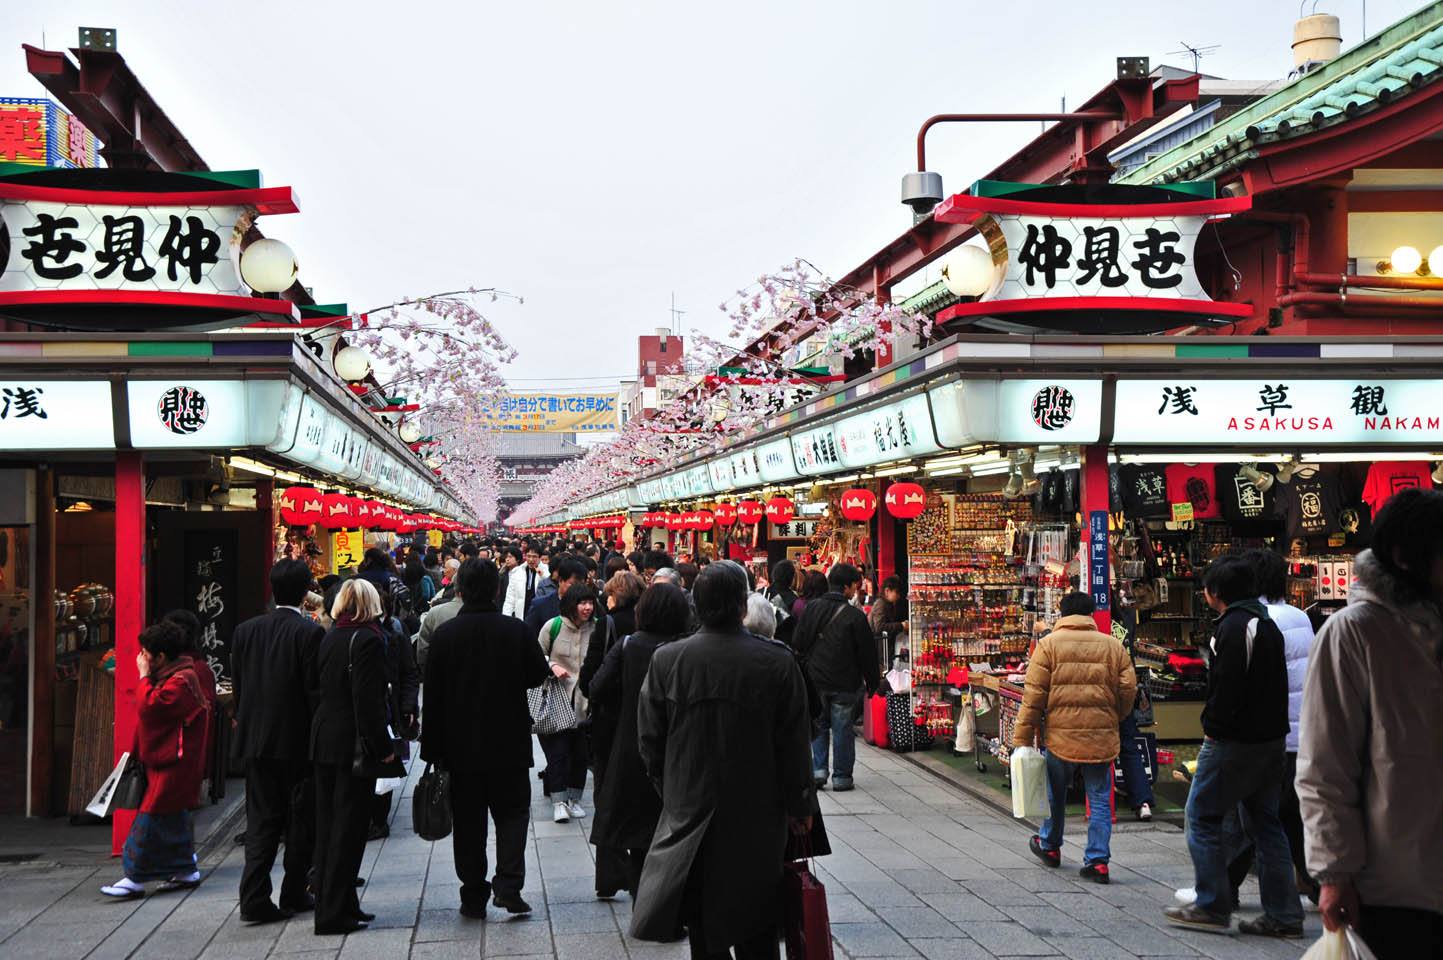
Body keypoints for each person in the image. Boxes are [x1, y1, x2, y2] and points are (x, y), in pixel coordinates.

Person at [630, 562, 814, 959]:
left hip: (690, 805)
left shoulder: (668, 660)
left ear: (696, 603)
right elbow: (795, 741)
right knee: (758, 916)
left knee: (702, 917)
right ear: (741, 606)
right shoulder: (777, 660)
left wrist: (671, 789)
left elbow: (649, 738)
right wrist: (800, 805)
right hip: (759, 807)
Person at [1296, 488, 1443, 959]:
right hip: (1394, 887)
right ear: (1407, 558)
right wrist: (1334, 875)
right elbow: (1324, 768)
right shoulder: (1355, 632)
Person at [1164, 555, 1301, 938]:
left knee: (1202, 815)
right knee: (1265, 824)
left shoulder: (1234, 627)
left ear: (1216, 593)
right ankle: (1284, 914)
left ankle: (1211, 903)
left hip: (1236, 740)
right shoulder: (1265, 624)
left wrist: (1214, 729)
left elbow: (1227, 687)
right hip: (1272, 740)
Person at [421, 560, 550, 918]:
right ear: (496, 589)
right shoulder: (516, 631)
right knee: (512, 816)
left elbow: (432, 697)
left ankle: (472, 894)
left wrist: (432, 750)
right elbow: (539, 676)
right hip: (508, 743)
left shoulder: (446, 636)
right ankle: (508, 885)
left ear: (460, 589)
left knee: (468, 823)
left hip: (460, 749)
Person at [1012, 592, 1135, 883]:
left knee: (1055, 794)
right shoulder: (1112, 646)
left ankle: (1050, 846)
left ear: (1063, 613)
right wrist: (1115, 715)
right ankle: (1098, 861)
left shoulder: (1049, 645)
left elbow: (1034, 698)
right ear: (1091, 613)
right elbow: (1128, 688)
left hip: (1060, 734)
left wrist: (1022, 737)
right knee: (1100, 797)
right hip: (1101, 734)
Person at [229, 560, 324, 922]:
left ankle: (253, 896)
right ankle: (294, 891)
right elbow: (313, 692)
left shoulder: (245, 631)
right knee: (300, 820)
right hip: (296, 741)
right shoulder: (308, 633)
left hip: (255, 739)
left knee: (262, 820)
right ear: (305, 592)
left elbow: (240, 684)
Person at [588, 582, 692, 899]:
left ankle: (641, 898)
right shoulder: (687, 648)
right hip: (679, 748)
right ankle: (665, 899)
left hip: (631, 746)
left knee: (636, 831)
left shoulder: (628, 645)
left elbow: (596, 688)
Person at [101, 622, 212, 900]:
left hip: (174, 762)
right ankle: (185, 870)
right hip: (174, 760)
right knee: (174, 817)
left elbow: (152, 707)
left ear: (160, 656)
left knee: (151, 817)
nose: (142, 657)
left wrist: (142, 677)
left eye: (146, 652)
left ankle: (134, 876)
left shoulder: (181, 680)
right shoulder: (178, 674)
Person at [311, 579, 392, 936]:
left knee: (330, 825)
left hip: (325, 738)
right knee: (348, 827)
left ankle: (342, 902)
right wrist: (383, 746)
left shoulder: (330, 636)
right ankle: (332, 912)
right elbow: (368, 700)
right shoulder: (370, 639)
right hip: (352, 743)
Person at [789, 563, 879, 792]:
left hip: (816, 678)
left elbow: (798, 642)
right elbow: (867, 653)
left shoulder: (812, 609)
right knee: (843, 728)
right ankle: (842, 777)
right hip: (845, 681)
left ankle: (818, 771)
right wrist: (873, 681)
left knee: (818, 725)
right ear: (847, 587)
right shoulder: (855, 616)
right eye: (854, 586)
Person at [536, 583, 596, 822]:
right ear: (571, 604)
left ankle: (574, 798)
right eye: (582, 603)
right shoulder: (554, 626)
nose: (587, 608)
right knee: (558, 753)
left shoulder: (597, 628)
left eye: (590, 603)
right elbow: (536, 653)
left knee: (580, 754)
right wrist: (552, 665)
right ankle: (559, 801)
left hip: (585, 701)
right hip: (557, 698)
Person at [368, 587, 421, 841]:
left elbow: (409, 673)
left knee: (387, 762)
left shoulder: (395, 637)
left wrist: (409, 706)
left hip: (390, 711)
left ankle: (379, 820)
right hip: (368, 712)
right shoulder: (353, 635)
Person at [524, 556, 589, 640]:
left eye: (582, 585)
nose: (578, 589)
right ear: (560, 581)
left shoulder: (589, 607)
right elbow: (528, 637)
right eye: (573, 584)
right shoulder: (540, 606)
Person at [868, 575, 909, 666]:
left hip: (885, 649)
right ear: (887, 591)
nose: (898, 596)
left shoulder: (889, 604)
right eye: (896, 592)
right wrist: (901, 625)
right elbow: (879, 627)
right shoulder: (881, 604)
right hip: (880, 650)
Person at [502, 544, 550, 618]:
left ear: (540, 557)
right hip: (521, 614)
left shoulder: (546, 571)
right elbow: (510, 598)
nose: (531, 559)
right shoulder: (517, 572)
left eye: (534, 556)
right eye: (528, 556)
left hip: (539, 615)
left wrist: (542, 575)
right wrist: (506, 616)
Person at [765, 560, 799, 645]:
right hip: (783, 646)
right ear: (791, 578)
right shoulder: (794, 600)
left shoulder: (762, 593)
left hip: (761, 643)